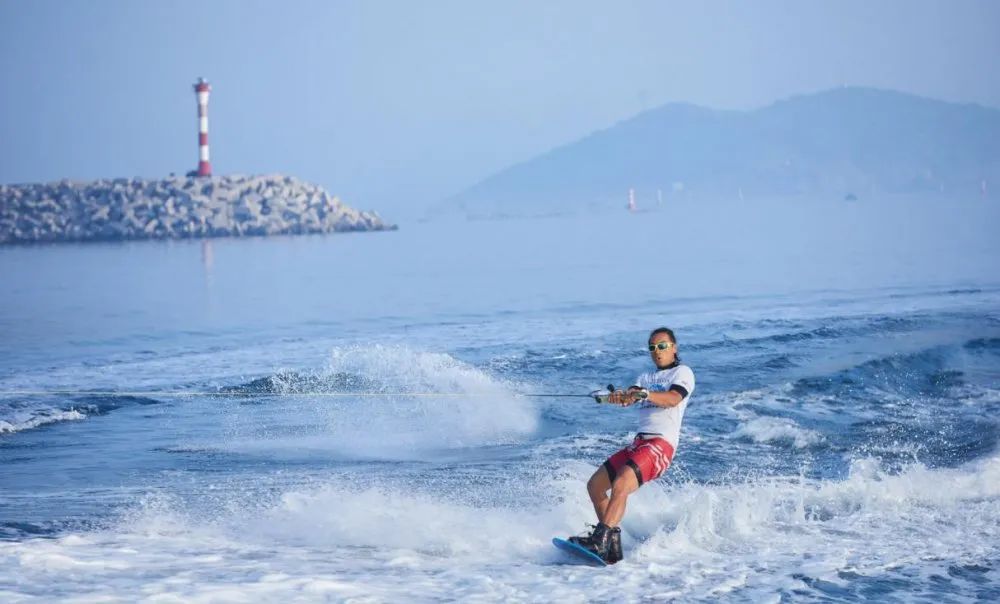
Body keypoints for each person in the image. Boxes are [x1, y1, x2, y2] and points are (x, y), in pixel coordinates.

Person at [568, 327, 695, 564]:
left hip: (661, 445)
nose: (657, 352)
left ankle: (599, 541)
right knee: (595, 486)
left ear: (674, 348)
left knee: (621, 484)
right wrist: (616, 397)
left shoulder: (682, 373)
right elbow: (631, 396)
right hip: (639, 444)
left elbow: (673, 399)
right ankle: (612, 547)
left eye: (663, 346)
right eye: (652, 348)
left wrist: (645, 394)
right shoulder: (644, 378)